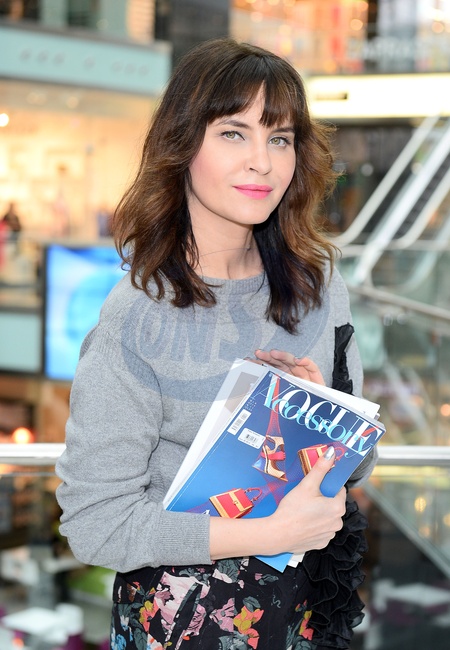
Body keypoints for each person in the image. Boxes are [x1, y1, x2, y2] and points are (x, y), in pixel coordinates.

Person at [55, 38, 378, 650]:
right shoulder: (136, 316)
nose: (263, 162)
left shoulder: (317, 286)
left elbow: (358, 464)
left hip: (306, 611)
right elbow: (96, 524)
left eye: (279, 139)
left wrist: (323, 419)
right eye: (234, 133)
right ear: (182, 146)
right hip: (183, 622)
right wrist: (267, 533)